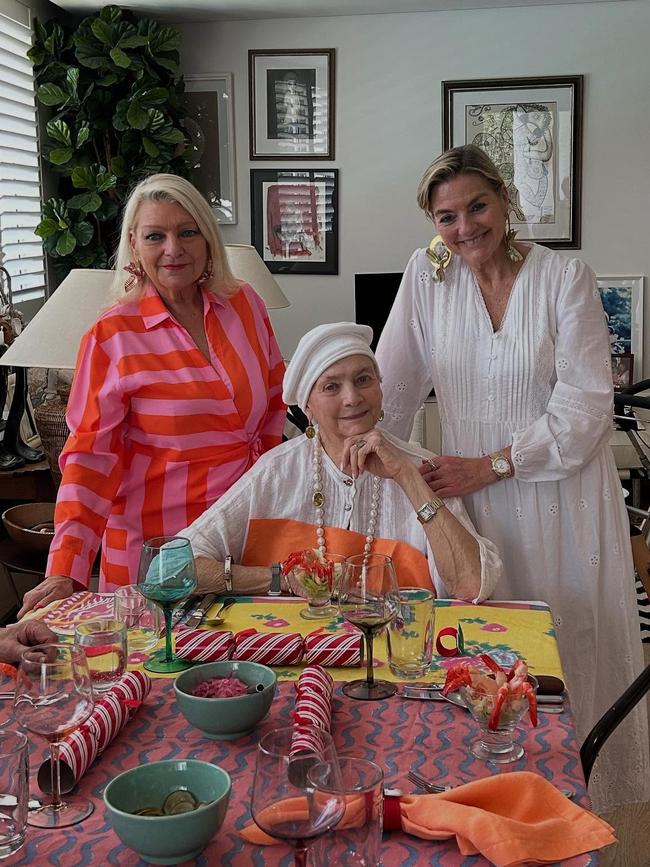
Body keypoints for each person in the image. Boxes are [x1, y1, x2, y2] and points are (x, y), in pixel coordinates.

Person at [374, 143, 649, 811]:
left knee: (564, 643)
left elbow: (588, 406)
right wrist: (373, 449)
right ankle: (480, 791)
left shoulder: (563, 276)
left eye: (477, 206)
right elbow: (394, 386)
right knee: (476, 647)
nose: (464, 226)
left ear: (504, 201)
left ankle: (569, 800)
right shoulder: (426, 274)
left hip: (558, 496)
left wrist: (493, 464)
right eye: (446, 216)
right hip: (470, 507)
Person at [19, 174, 286, 615]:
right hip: (159, 549)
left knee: (252, 670)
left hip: (245, 535)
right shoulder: (112, 336)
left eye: (187, 231)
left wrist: (271, 486)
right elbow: (89, 460)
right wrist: (65, 568)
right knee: (158, 676)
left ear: (207, 238)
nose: (173, 248)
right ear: (134, 245)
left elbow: (276, 399)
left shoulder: (245, 305)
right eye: (155, 235)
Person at [180, 322, 502, 603]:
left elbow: (472, 586)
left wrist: (407, 475)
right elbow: (173, 567)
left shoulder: (421, 466)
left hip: (400, 661)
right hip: (295, 659)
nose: (352, 398)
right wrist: (280, 579)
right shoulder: (276, 472)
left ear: (379, 388)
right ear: (308, 407)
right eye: (332, 387)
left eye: (363, 380)